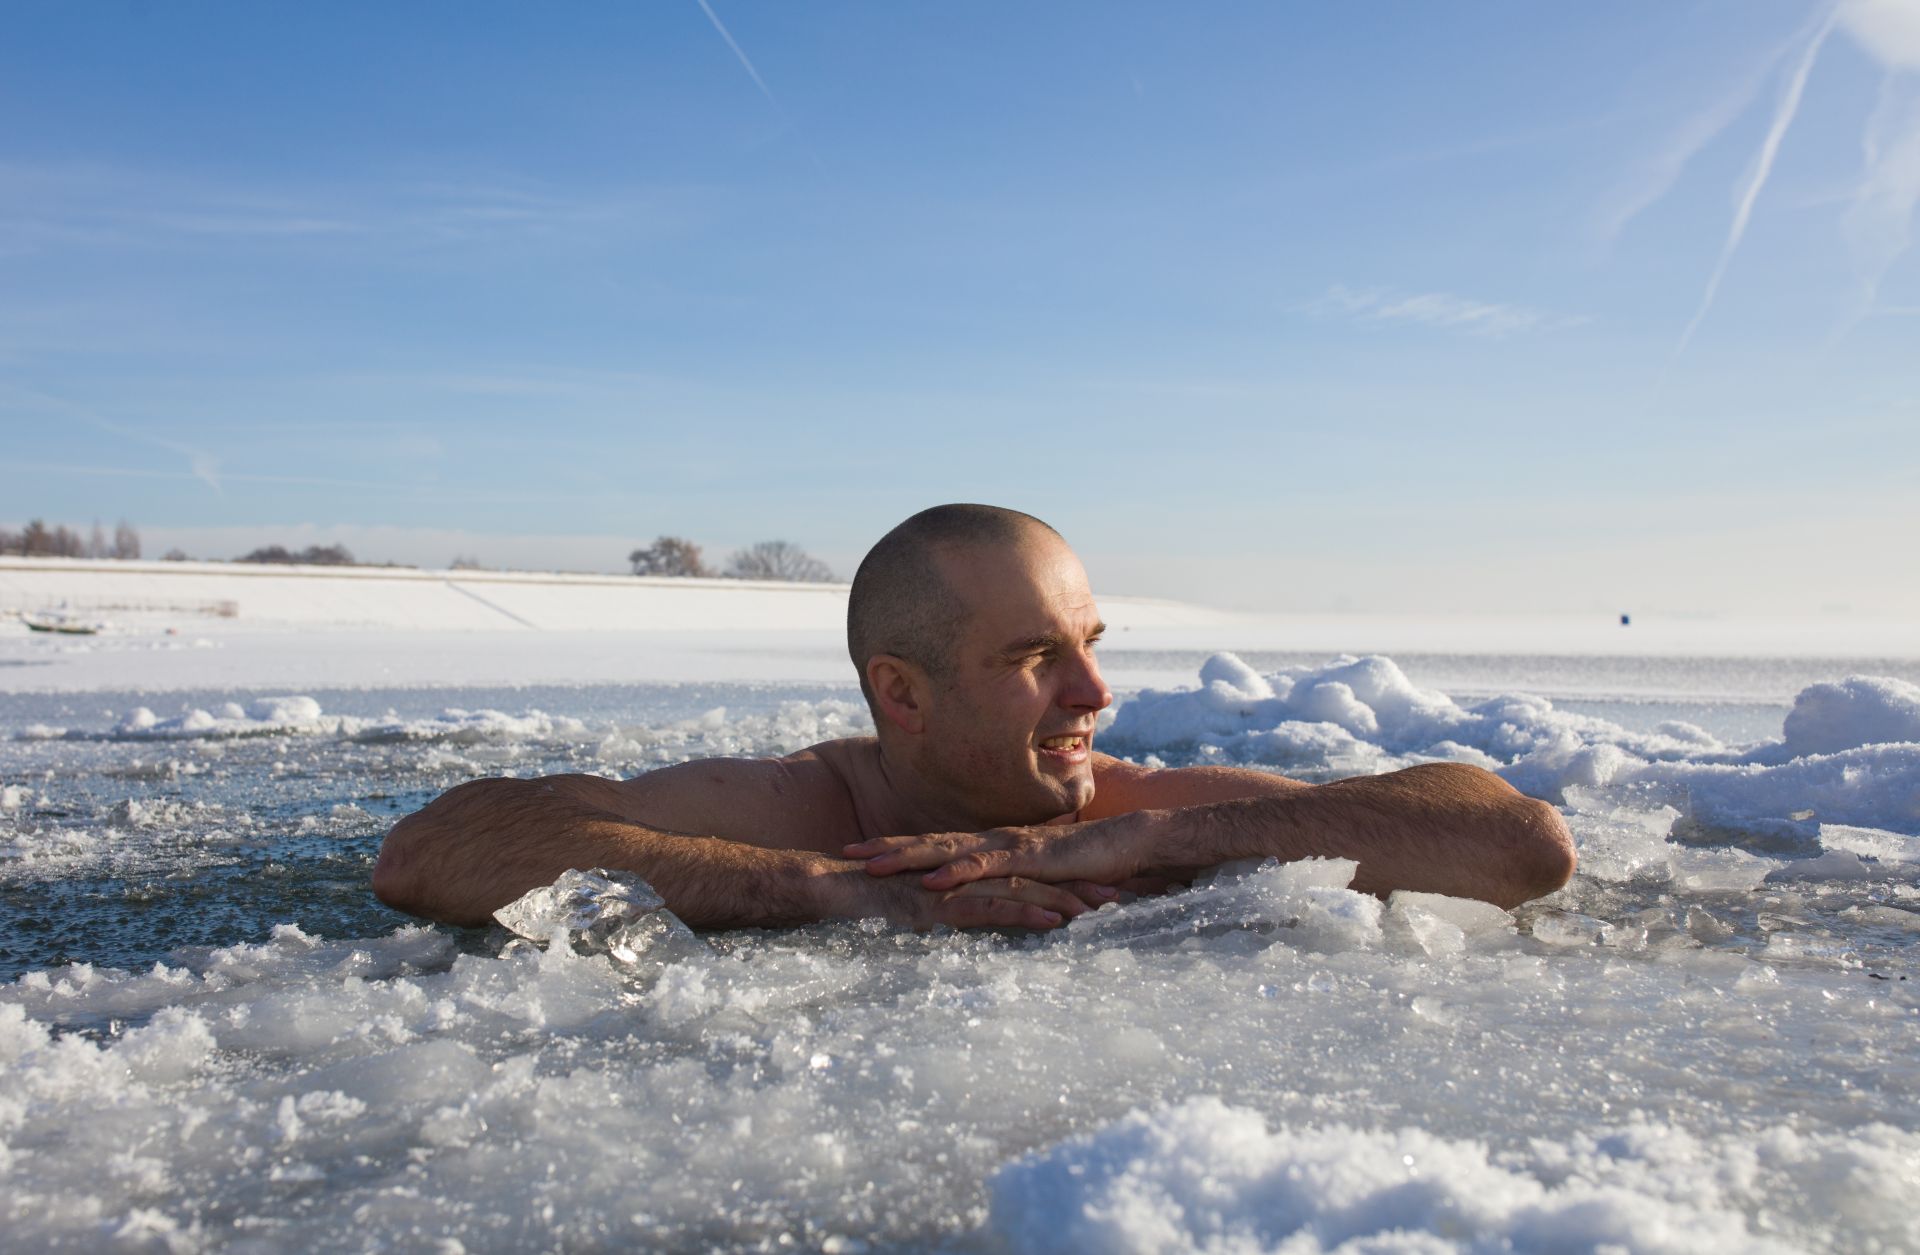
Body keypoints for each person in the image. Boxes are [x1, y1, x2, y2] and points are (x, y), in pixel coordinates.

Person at [372, 505, 1575, 931]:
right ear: (901, 691)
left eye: (1090, 647)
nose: (1095, 697)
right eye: (1036, 657)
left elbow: (1516, 842)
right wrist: (848, 891)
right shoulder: (811, 807)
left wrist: (1132, 845)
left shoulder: (1136, 810)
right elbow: (432, 853)